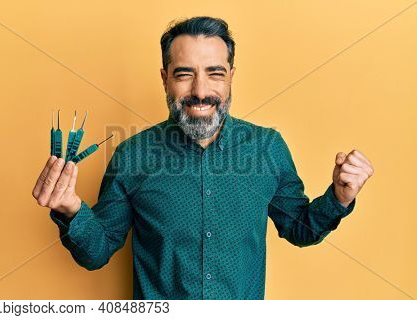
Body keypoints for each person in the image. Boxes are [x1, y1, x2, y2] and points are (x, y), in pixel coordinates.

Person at [32, 16, 374, 300]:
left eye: (214, 72)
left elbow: (300, 229)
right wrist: (70, 210)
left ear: (230, 77)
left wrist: (339, 198)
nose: (200, 90)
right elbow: (97, 251)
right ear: (165, 78)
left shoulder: (267, 147)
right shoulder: (132, 155)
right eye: (184, 74)